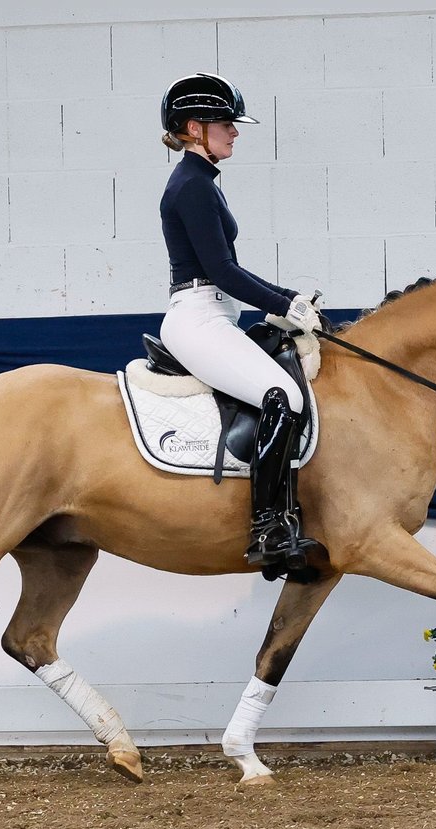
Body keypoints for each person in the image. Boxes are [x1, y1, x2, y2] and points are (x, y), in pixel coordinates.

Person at [157, 72, 322, 574]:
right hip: (197, 317)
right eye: (225, 123)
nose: (235, 132)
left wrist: (285, 297)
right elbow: (220, 270)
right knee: (284, 396)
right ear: (194, 127)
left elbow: (228, 269)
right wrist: (285, 304)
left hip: (214, 312)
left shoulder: (202, 182)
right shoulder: (191, 186)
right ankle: (269, 527)